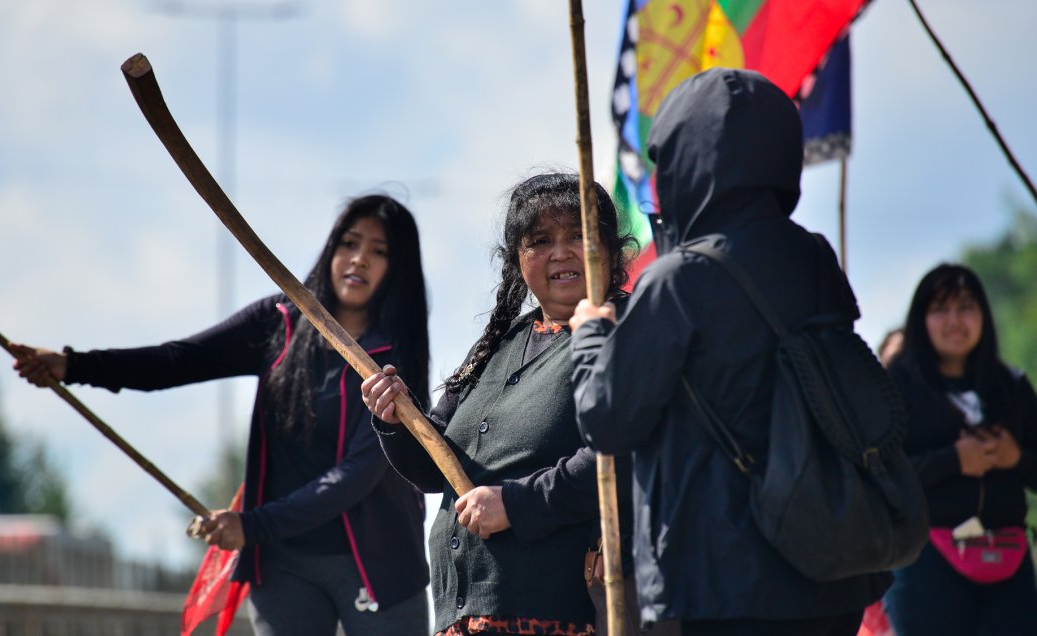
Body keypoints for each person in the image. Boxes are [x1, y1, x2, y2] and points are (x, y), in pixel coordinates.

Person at [11, 195, 432, 636]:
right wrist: (73, 366)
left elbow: (353, 477)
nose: (359, 259)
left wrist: (250, 525)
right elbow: (177, 360)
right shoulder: (278, 323)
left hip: (378, 567)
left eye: (379, 251)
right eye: (349, 243)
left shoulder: (395, 360)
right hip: (282, 563)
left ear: (396, 268)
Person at [569, 68, 888, 635]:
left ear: (685, 161)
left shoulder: (679, 278)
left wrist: (591, 334)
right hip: (826, 562)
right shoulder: (813, 257)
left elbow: (608, 418)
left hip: (716, 582)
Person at [360, 172, 647, 636]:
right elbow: (436, 470)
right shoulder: (499, 344)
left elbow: (623, 450)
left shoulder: (628, 328)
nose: (561, 252)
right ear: (517, 260)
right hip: (463, 616)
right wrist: (395, 417)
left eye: (579, 235)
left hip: (560, 615)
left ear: (613, 251)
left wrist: (516, 504)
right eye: (540, 240)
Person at [881, 264, 1037, 636]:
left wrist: (1016, 459)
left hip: (1008, 561)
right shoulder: (895, 388)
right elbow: (880, 478)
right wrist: (953, 461)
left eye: (966, 307)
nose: (954, 320)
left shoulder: (1010, 386)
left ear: (984, 315)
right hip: (925, 563)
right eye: (940, 309)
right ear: (921, 320)